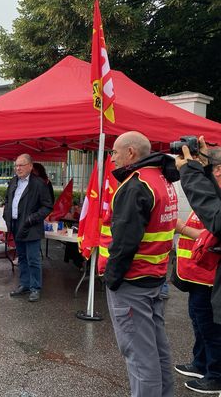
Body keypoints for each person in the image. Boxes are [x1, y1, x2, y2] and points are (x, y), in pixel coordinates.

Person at [99, 131, 179, 397]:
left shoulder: (135, 185)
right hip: (154, 277)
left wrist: (111, 278)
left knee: (139, 358)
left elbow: (124, 243)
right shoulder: (162, 179)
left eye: (114, 153)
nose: (112, 159)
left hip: (133, 282)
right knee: (157, 352)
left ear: (130, 153)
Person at [175, 139, 221, 394]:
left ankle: (214, 374)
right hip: (197, 273)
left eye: (214, 168)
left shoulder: (213, 198)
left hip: (209, 276)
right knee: (199, 322)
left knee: (210, 326)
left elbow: (213, 228)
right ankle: (201, 363)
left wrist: (180, 227)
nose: (213, 172)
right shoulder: (213, 191)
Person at [5, 154, 53, 302]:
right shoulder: (13, 182)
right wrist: (6, 214)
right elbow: (8, 200)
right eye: (16, 165)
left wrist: (33, 218)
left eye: (21, 165)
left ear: (30, 166)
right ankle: (24, 284)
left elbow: (47, 206)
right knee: (22, 258)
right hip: (15, 225)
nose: (18, 168)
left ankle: (35, 288)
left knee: (33, 259)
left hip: (31, 226)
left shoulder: (38, 184)